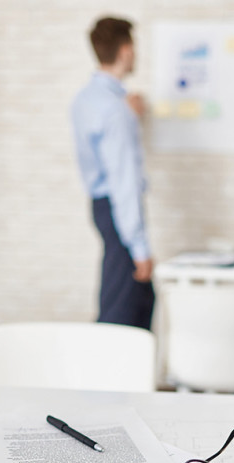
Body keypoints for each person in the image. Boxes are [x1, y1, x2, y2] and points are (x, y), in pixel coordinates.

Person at [71, 17, 155, 330]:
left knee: (135, 298)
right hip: (121, 210)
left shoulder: (87, 99)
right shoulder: (116, 110)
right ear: (126, 50)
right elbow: (124, 180)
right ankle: (104, 377)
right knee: (123, 308)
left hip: (102, 206)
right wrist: (140, 247)